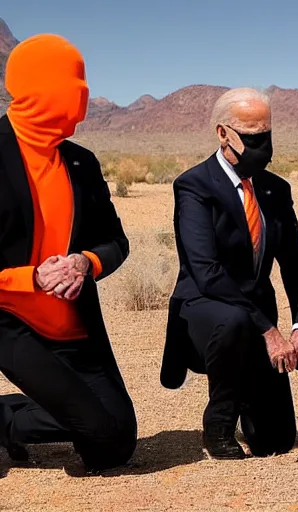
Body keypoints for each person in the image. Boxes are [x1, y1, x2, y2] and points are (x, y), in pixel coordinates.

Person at [0, 34, 137, 472]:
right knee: (96, 428)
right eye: (74, 81)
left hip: (74, 325)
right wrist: (31, 278)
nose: (83, 94)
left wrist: (85, 262)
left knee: (115, 442)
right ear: (37, 87)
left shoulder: (82, 162)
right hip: (11, 321)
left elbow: (116, 242)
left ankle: (13, 416)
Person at [160, 88, 298, 459]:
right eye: (252, 138)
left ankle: (248, 389)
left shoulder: (276, 189)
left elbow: (297, 267)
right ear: (223, 134)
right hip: (205, 306)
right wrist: (270, 330)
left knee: (276, 440)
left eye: (267, 136)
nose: (262, 146)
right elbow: (207, 272)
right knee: (232, 320)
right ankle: (219, 423)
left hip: (258, 314)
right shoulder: (194, 186)